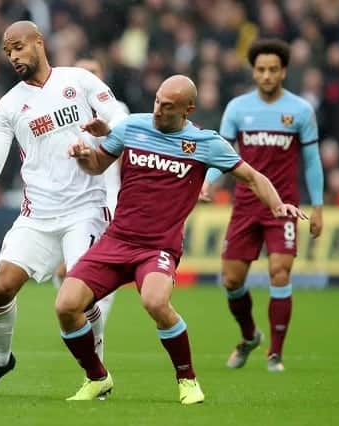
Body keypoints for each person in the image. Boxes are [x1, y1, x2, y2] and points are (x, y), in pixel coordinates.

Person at [55, 75, 306, 403]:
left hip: (158, 247)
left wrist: (277, 206)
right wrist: (82, 155)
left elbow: (252, 177)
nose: (158, 110)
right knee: (65, 305)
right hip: (115, 241)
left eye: (168, 106)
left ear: (189, 109)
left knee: (156, 302)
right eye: (157, 101)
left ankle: (187, 380)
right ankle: (97, 377)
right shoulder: (132, 126)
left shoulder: (206, 143)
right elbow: (98, 165)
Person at [0, 21, 127, 396]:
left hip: (85, 210)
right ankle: (0, 359)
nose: (12, 55)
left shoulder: (79, 80)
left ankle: (97, 375)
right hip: (37, 215)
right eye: (7, 51)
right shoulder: (9, 105)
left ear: (38, 43)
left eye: (17, 47)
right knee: (1, 288)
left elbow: (121, 119)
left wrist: (105, 129)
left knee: (80, 297)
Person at [203, 39, 324, 372]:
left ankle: (275, 353)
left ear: (284, 71)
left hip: (283, 207)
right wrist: (209, 181)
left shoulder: (300, 111)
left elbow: (312, 161)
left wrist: (318, 206)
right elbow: (222, 155)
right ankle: (249, 335)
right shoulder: (238, 109)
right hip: (245, 205)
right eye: (261, 70)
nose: (267, 75)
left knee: (279, 272)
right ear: (253, 72)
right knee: (230, 280)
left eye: (273, 69)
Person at [51, 57, 130, 327]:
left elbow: (123, 154)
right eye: (82, 72)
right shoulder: (61, 107)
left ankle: (96, 329)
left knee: (86, 270)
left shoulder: (116, 110)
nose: (87, 76)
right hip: (67, 198)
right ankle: (82, 318)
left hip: (104, 197)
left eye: (93, 72)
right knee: (63, 273)